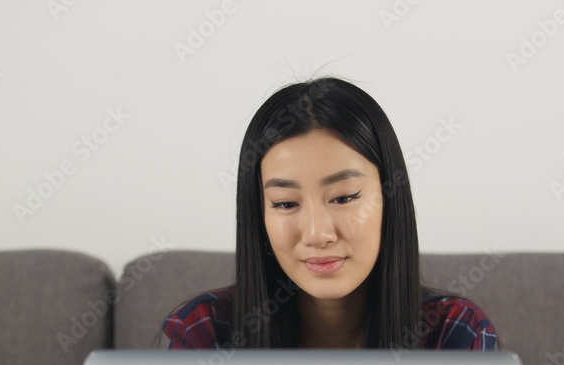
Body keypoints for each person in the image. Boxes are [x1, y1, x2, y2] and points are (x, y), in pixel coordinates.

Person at [157, 76, 499, 351]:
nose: (317, 234)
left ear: (390, 199)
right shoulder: (204, 333)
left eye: (344, 197)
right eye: (286, 203)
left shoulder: (453, 334)